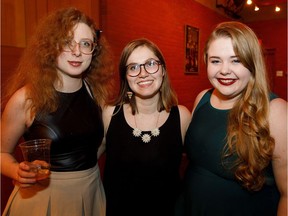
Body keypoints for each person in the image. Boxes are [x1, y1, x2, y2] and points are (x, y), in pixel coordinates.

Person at [1, 7, 114, 216]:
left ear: (94, 50)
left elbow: (96, 146)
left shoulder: (96, 92)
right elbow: (1, 153)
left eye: (86, 44)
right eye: (67, 42)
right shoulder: (25, 99)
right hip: (42, 199)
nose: (77, 52)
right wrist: (17, 170)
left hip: (90, 192)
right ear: (50, 46)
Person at [179, 21, 287, 216]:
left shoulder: (276, 111)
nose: (224, 70)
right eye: (215, 61)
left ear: (252, 63)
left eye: (236, 60)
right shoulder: (202, 98)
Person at [100, 38, 191, 216]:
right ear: (125, 76)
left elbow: (201, 167)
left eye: (150, 64)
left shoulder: (182, 117)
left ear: (163, 70)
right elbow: (83, 162)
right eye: (133, 67)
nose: (142, 73)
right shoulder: (109, 115)